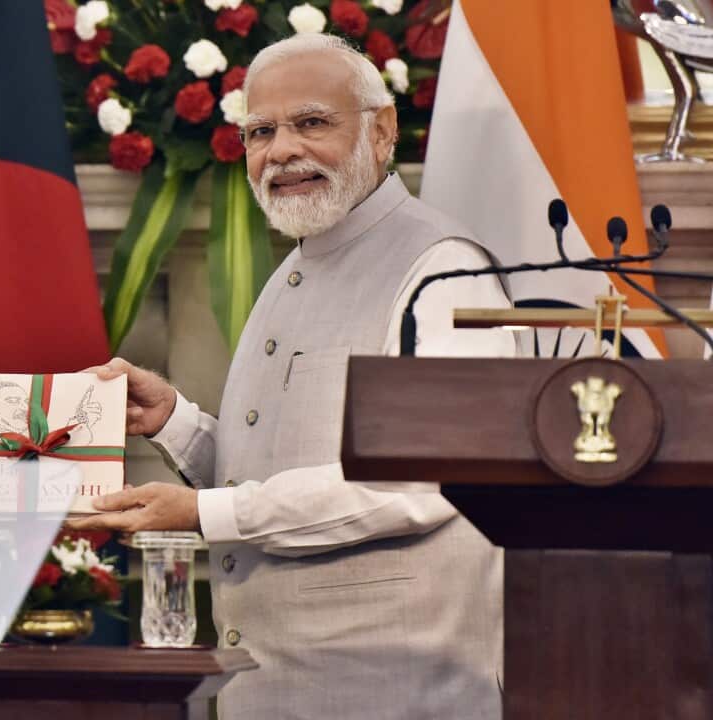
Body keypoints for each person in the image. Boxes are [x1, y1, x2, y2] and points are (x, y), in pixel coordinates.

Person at [69, 34, 514, 719]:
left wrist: (203, 514)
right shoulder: (296, 267)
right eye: (260, 132)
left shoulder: (444, 268)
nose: (280, 151)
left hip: (395, 694)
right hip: (273, 688)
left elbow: (425, 480)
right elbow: (277, 470)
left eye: (311, 123)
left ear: (382, 130)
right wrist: (176, 423)